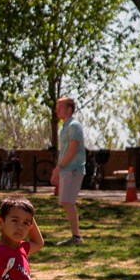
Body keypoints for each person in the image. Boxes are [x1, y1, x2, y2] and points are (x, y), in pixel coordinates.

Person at [51, 98, 86, 247]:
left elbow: (72, 150)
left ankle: (76, 236)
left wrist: (59, 167)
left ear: (69, 109)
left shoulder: (74, 126)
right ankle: (75, 235)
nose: (56, 110)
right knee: (66, 202)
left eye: (60, 107)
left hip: (73, 169)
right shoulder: (65, 127)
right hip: (66, 169)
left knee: (68, 201)